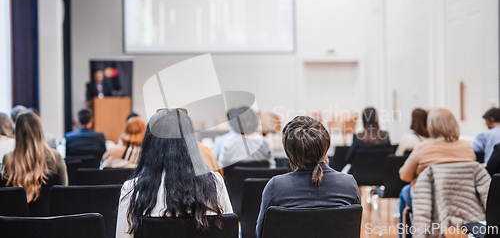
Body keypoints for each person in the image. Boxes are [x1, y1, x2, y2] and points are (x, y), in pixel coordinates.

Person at [115, 109, 233, 238]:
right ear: (191, 143)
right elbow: (228, 231)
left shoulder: (132, 189)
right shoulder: (214, 183)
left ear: (149, 145)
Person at [255, 116, 361, 238]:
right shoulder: (349, 184)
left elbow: (261, 234)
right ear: (326, 145)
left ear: (289, 152)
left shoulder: (276, 186)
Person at [398, 108, 475, 231]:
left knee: (404, 192)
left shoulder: (423, 148)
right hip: (460, 200)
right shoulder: (466, 146)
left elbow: (405, 176)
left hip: (428, 199)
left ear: (431, 126)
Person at [1, 112, 68, 203]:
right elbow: (64, 190)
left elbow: (4, 193)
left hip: (16, 216)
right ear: (39, 130)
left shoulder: (8, 159)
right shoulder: (55, 157)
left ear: (16, 132)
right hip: (49, 215)